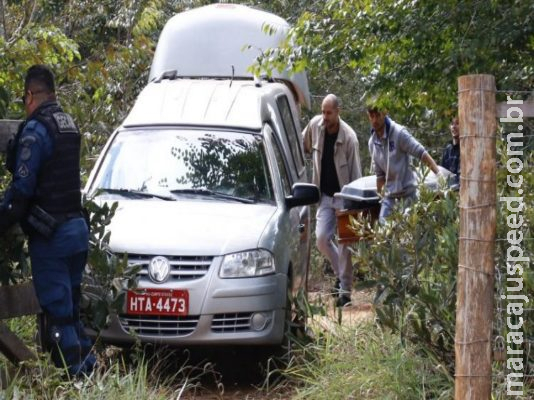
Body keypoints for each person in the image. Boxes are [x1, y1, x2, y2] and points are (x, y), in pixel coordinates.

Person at [0, 65, 95, 377]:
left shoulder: (36, 131)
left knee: (58, 318)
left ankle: (75, 381)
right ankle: (92, 378)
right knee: (73, 313)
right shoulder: (69, 125)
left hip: (52, 237)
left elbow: (21, 192)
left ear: (30, 95)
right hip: (77, 231)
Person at [303, 94, 362, 307]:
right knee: (321, 239)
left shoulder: (349, 138)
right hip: (325, 195)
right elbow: (302, 146)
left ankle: (345, 291)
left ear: (338, 112)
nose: (325, 117)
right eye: (323, 112)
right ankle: (341, 274)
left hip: (345, 198)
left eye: (329, 113)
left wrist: (353, 205)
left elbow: (356, 175)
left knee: (345, 243)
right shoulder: (314, 126)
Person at [367, 105, 441, 224]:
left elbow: (421, 152)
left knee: (409, 233)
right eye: (372, 116)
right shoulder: (372, 143)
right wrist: (381, 198)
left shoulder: (399, 133)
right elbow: (380, 175)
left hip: (408, 194)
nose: (375, 120)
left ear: (385, 113)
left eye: (378, 116)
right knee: (383, 230)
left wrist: (438, 174)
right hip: (390, 197)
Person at [441, 116, 460, 185]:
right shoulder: (447, 150)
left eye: (457, 123)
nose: (454, 127)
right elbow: (443, 173)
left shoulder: (467, 149)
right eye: (452, 124)